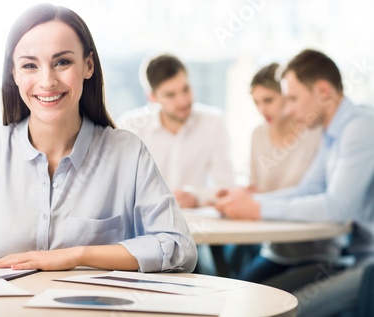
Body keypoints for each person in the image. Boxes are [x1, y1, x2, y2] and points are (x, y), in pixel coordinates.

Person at [0, 3, 197, 273]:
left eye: (62, 62)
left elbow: (179, 247)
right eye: (29, 65)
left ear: (88, 65)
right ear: (14, 73)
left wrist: (76, 256)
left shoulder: (127, 153)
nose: (47, 81)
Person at [216, 49, 374, 289]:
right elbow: (308, 188)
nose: (288, 109)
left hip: (365, 266)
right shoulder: (331, 132)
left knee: (285, 307)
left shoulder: (360, 127)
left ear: (322, 91)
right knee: (245, 291)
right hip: (353, 259)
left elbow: (337, 207)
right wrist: (249, 201)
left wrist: (258, 208)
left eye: (292, 98)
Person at [237, 63, 341, 284]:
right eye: (256, 102)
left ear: (287, 96)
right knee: (242, 286)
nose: (262, 109)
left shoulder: (316, 133)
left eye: (268, 100)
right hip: (276, 249)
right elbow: (257, 189)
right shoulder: (257, 134)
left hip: (317, 251)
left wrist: (257, 204)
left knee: (273, 294)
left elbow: (316, 193)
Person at [119, 54, 235, 209]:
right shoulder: (131, 126)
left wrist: (197, 198)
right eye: (170, 95)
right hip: (146, 221)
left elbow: (226, 187)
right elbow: (120, 188)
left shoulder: (214, 123)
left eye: (186, 89)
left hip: (195, 221)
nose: (183, 101)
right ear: (152, 97)